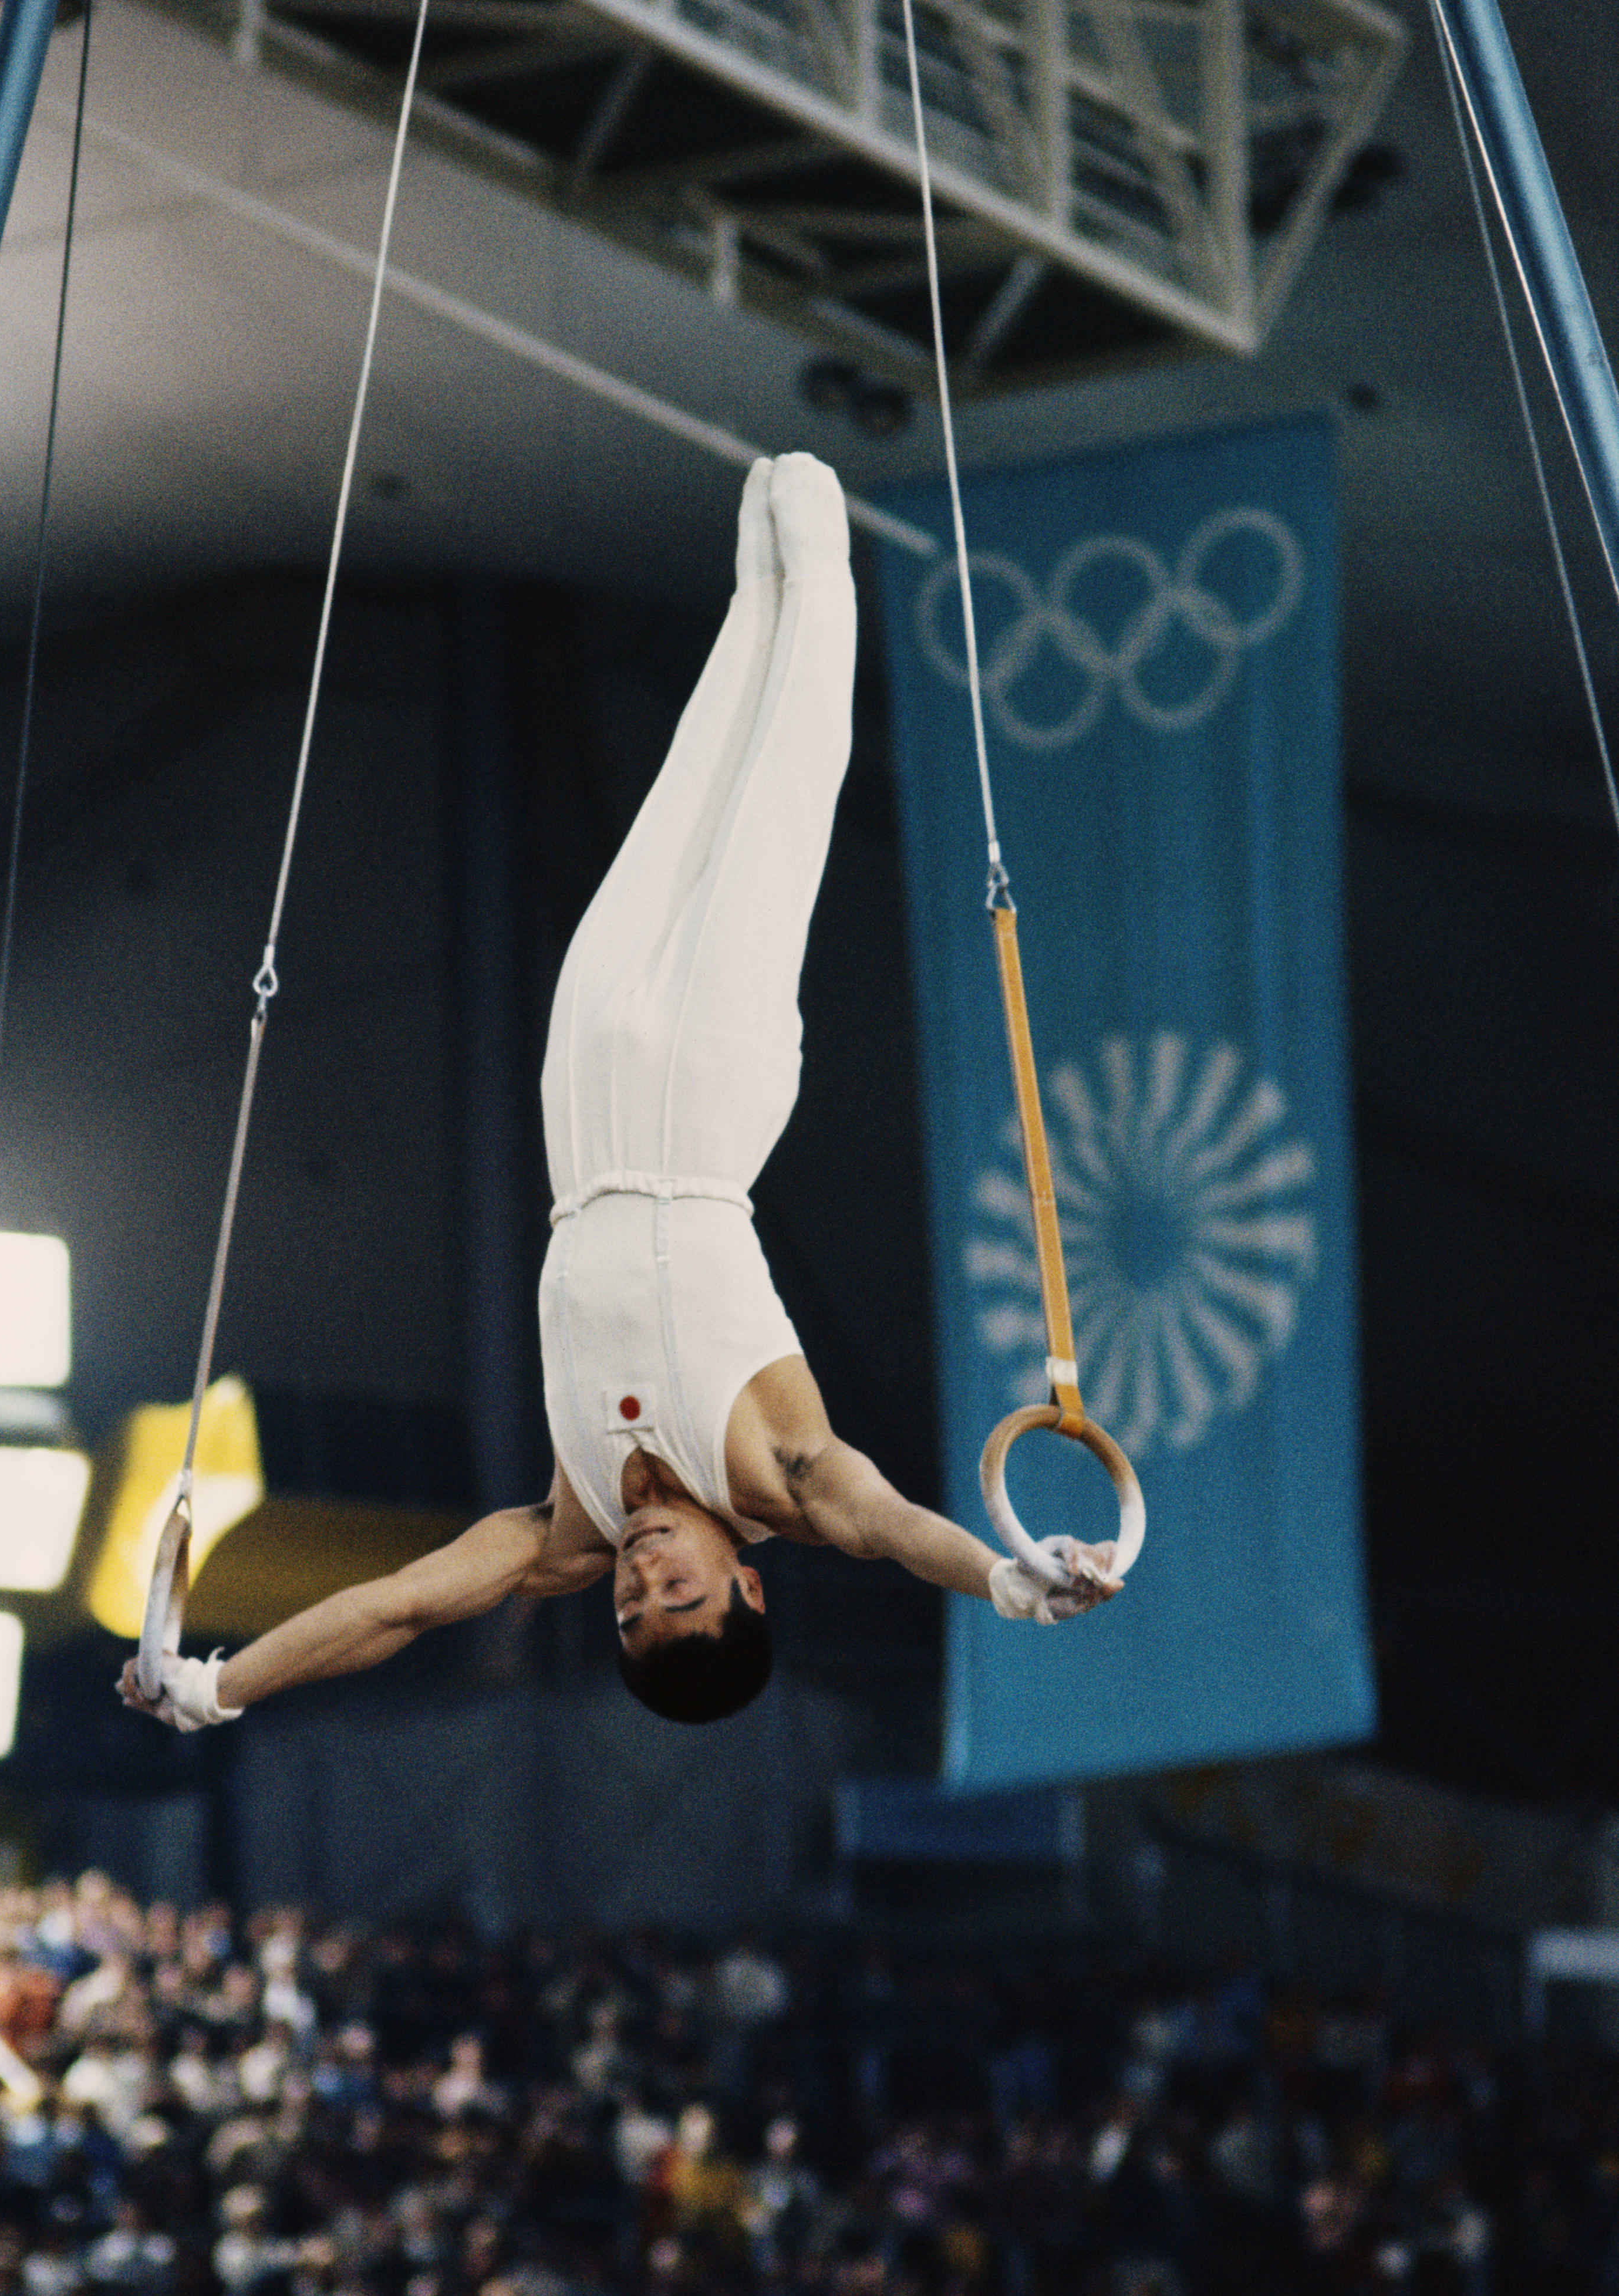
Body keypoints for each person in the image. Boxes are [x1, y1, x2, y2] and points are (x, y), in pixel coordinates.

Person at [124, 454, 1116, 1740]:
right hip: (709, 1095)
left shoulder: (567, 1523)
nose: (644, 1573)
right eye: (683, 1590)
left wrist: (215, 1685)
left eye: (634, 1607)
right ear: (747, 1579)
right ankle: (817, 563)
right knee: (775, 804)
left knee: (690, 780)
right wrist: (1007, 1579)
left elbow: (399, 1608)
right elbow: (887, 1526)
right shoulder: (784, 1475)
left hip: (581, 1103)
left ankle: (759, 580)